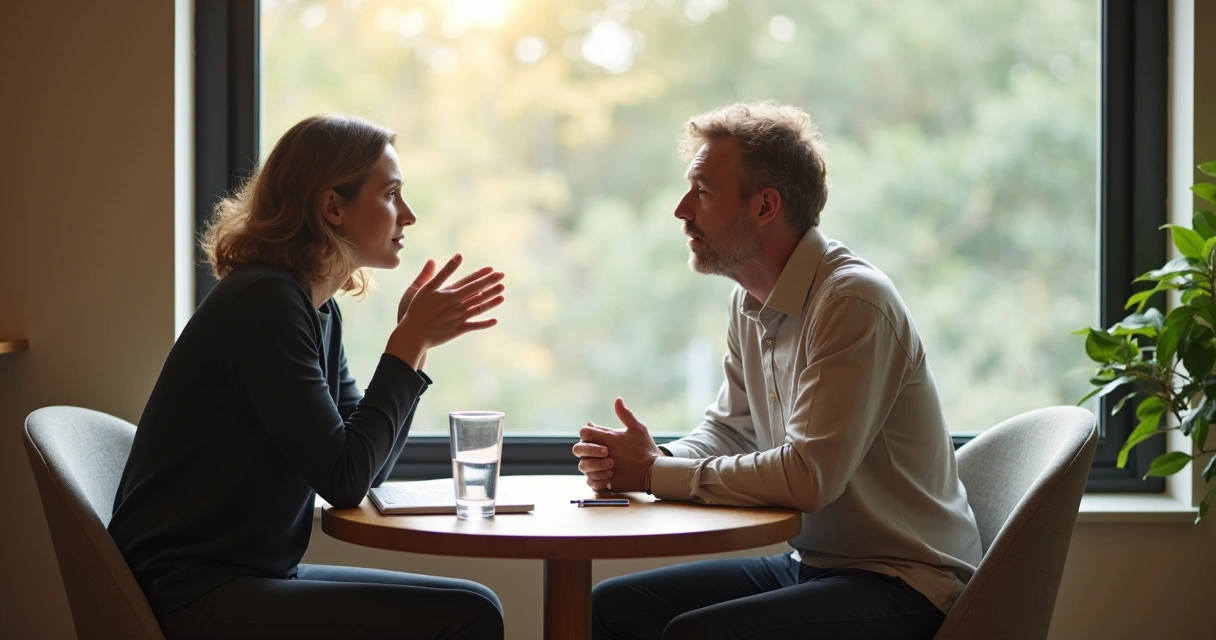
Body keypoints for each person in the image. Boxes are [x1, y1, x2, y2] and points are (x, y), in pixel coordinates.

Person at [572, 102, 983, 640]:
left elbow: (808, 477)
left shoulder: (853, 301)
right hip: (817, 566)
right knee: (609, 608)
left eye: (701, 191)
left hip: (906, 583)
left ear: (765, 205)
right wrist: (656, 457)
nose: (680, 210)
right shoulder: (750, 302)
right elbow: (731, 430)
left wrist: (650, 474)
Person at [109, 114, 507, 640]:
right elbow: (343, 481)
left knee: (475, 603)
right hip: (190, 594)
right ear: (332, 207)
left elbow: (366, 471)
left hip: (245, 578)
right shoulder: (266, 304)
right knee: (470, 617)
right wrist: (407, 343)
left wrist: (418, 346)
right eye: (391, 194)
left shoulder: (315, 310)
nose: (408, 215)